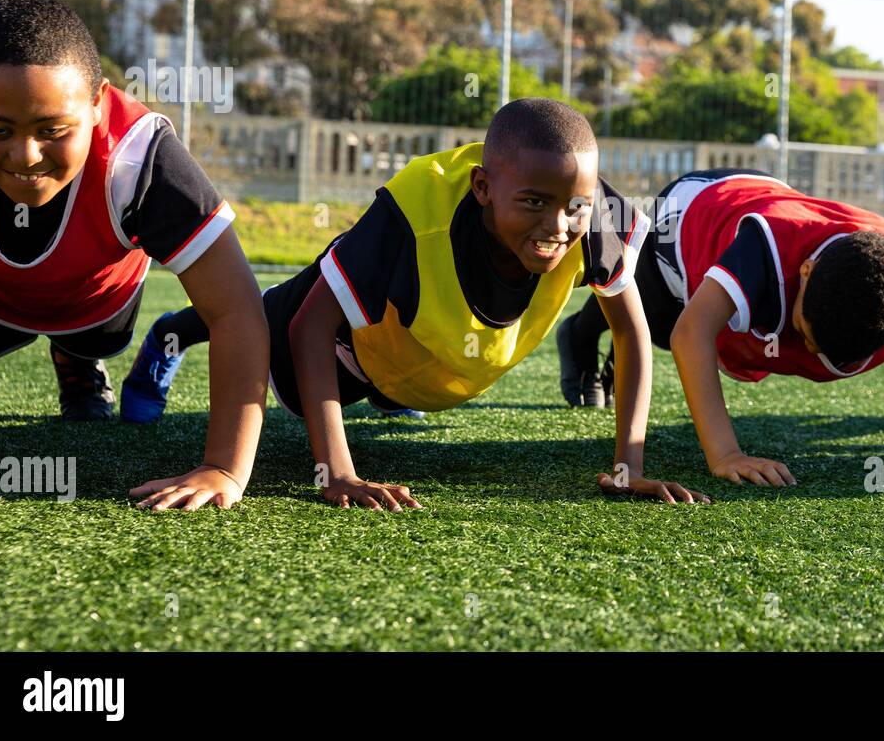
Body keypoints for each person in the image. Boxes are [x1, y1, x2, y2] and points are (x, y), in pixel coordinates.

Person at [127, 98, 707, 509]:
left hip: (416, 364)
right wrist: (339, 474)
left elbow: (631, 334)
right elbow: (310, 327)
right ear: (481, 188)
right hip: (342, 343)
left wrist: (629, 467)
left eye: (573, 207)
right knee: (257, 319)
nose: (558, 224)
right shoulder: (412, 214)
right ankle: (172, 333)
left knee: (391, 390)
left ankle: (393, 393)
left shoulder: (590, 210)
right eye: (533, 201)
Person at [560, 168, 884, 487]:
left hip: (765, 220)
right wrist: (725, 455)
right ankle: (580, 337)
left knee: (691, 329)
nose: (803, 348)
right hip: (693, 217)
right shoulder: (764, 247)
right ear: (804, 274)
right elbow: (695, 334)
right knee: (650, 318)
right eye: (805, 330)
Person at [0, 0, 268, 510]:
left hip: (93, 304)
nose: (25, 155)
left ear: (96, 102)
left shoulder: (138, 154)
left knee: (95, 339)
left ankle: (77, 358)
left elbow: (237, 310)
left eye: (53, 130)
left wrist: (224, 467)